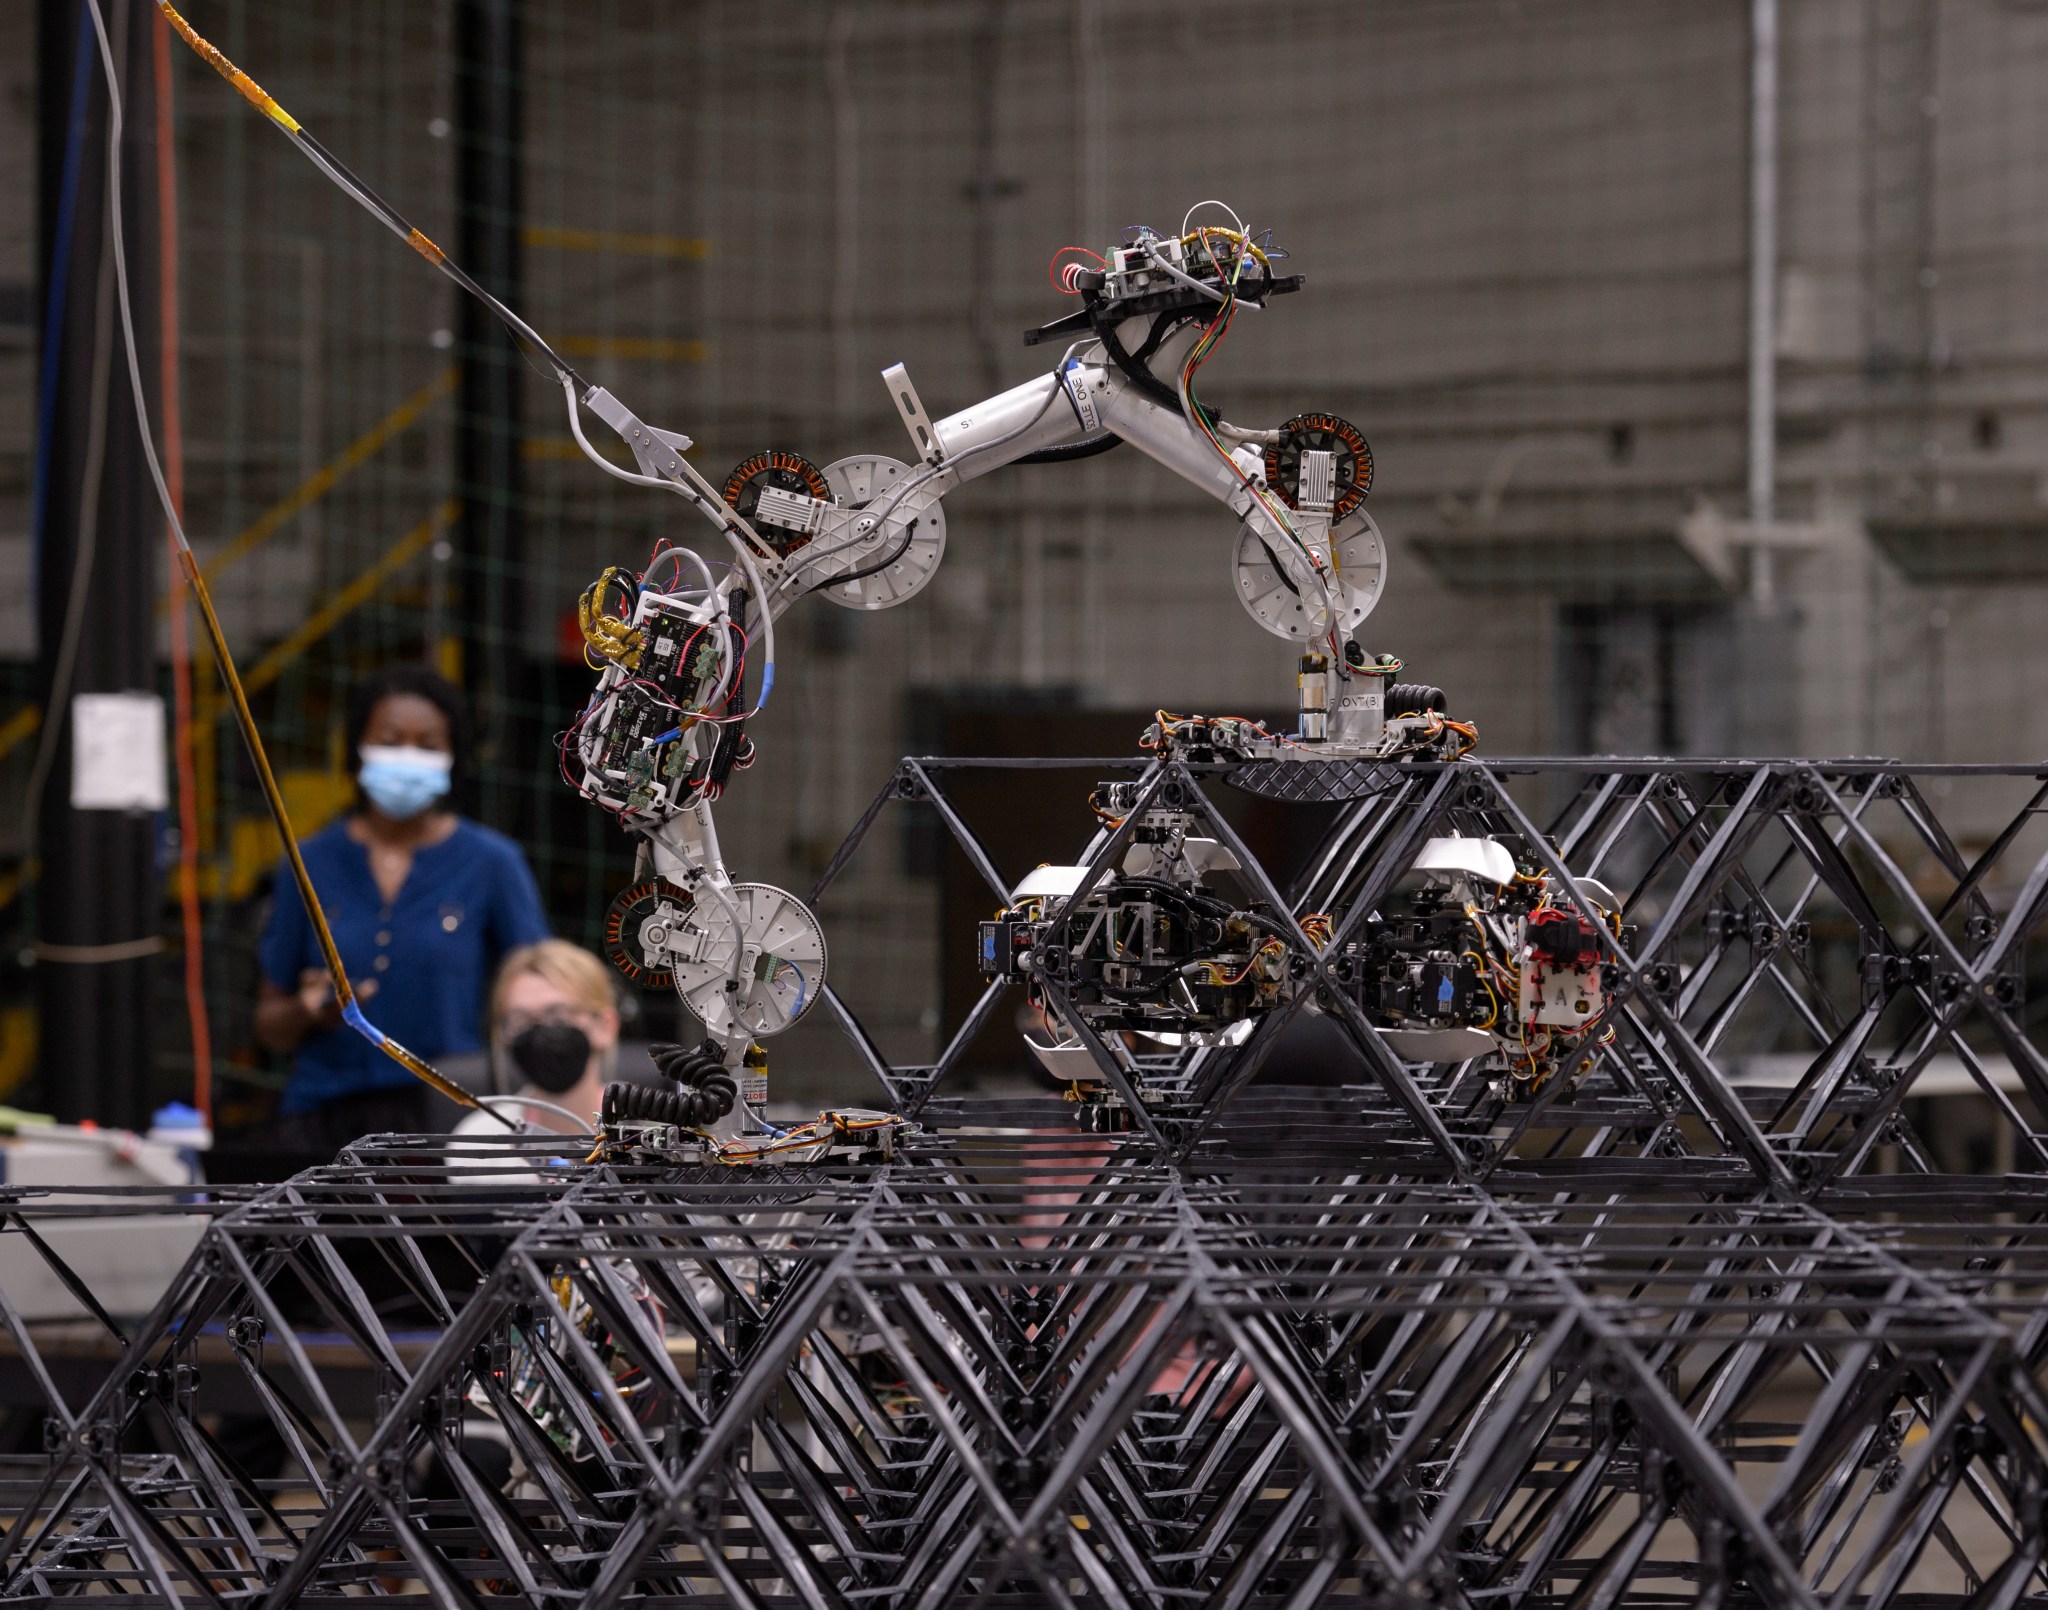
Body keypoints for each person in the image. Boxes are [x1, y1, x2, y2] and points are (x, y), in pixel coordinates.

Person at [253, 665, 550, 1154]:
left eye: (428, 744)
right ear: (357, 749)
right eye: (391, 741)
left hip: (446, 1121)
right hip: (321, 1123)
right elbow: (268, 1026)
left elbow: (545, 991)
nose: (408, 758)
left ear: (454, 756)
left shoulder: (493, 862)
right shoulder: (309, 862)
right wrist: (309, 1009)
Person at [454, 940, 621, 1138]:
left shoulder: (649, 1134)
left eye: (558, 1016)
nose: (538, 1032)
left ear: (605, 1026)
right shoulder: (477, 1140)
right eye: (520, 1020)